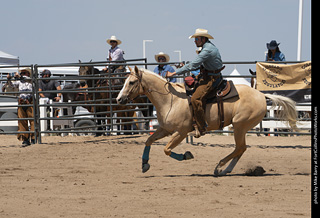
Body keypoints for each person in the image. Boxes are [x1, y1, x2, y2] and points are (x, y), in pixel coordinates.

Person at [166, 28, 224, 137]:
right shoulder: (207, 47)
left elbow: (193, 65)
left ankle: (202, 127)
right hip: (208, 76)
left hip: (212, 78)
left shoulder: (207, 50)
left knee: (195, 99)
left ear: (203, 39)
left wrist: (174, 73)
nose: (195, 41)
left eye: (196, 38)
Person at [7, 68, 35, 147]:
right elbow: (12, 85)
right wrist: (9, 79)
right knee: (22, 121)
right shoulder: (19, 81)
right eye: (22, 73)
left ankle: (33, 138)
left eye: (24, 73)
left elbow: (29, 80)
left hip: (30, 101)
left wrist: (20, 77)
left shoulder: (31, 80)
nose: (22, 74)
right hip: (22, 101)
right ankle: (25, 138)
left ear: (28, 73)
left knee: (32, 120)